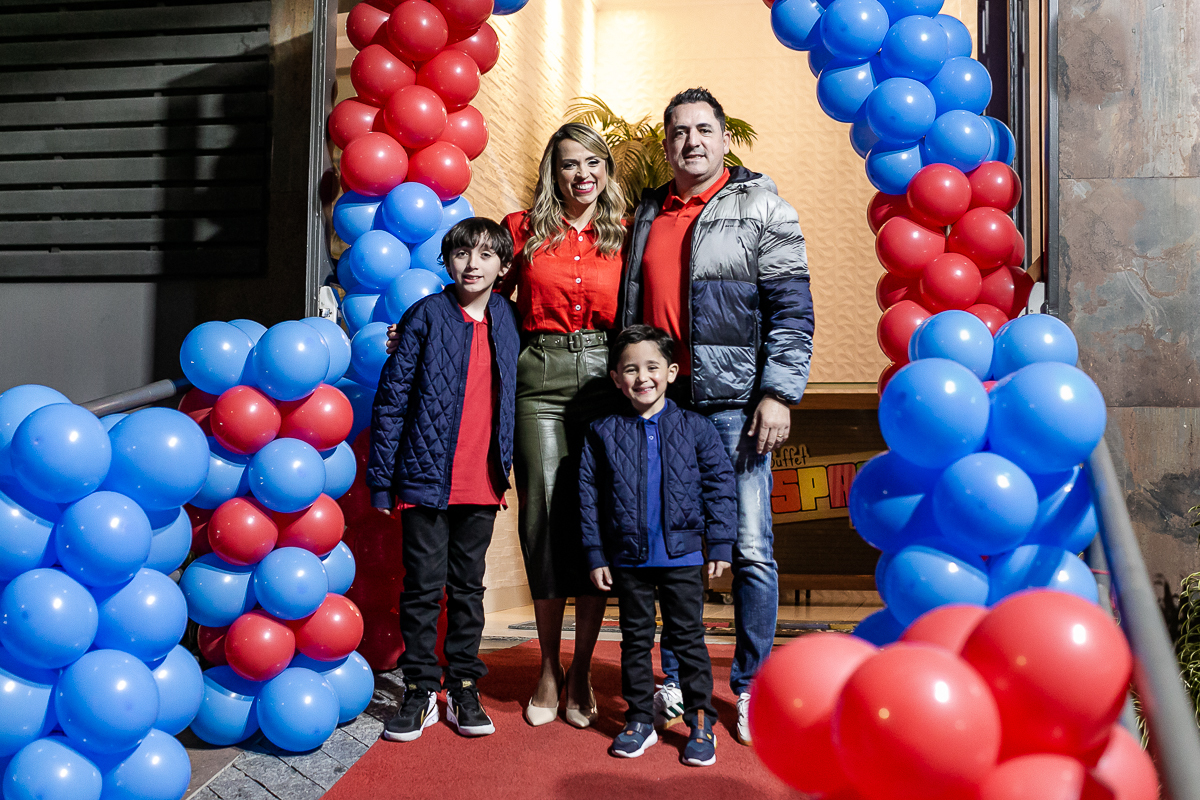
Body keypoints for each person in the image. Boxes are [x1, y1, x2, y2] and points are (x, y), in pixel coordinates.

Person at [386, 123, 626, 729]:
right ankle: (547, 666)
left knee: (595, 519)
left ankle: (581, 670)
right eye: (569, 164)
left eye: (593, 163)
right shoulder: (522, 229)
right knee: (543, 519)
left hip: (604, 376)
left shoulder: (628, 231)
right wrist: (417, 330)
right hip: (537, 378)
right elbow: (480, 291)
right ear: (554, 171)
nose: (582, 175)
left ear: (607, 170)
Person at [617, 88, 814, 745]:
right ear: (667, 143)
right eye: (679, 132)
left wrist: (779, 393)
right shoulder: (649, 210)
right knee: (676, 549)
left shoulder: (763, 206)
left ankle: (752, 686)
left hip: (736, 406)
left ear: (725, 138)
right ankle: (675, 677)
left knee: (752, 548)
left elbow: (791, 308)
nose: (691, 141)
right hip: (664, 406)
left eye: (704, 130)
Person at [366, 217, 520, 743]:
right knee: (422, 589)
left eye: (484, 255)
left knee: (467, 589)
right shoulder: (425, 316)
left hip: (483, 480)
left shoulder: (509, 316)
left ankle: (462, 687)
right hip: (424, 478)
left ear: (502, 267)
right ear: (446, 261)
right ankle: (419, 689)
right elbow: (390, 403)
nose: (471, 264)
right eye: (461, 254)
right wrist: (382, 481)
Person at [580, 325, 736, 766]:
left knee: (688, 639)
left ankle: (700, 720)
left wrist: (720, 545)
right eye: (630, 369)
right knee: (634, 640)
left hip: (684, 556)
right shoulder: (601, 432)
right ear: (616, 378)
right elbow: (588, 497)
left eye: (652, 367)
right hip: (627, 558)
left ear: (671, 372)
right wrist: (595, 553)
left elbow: (720, 487)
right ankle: (639, 720)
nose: (642, 377)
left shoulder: (697, 428)